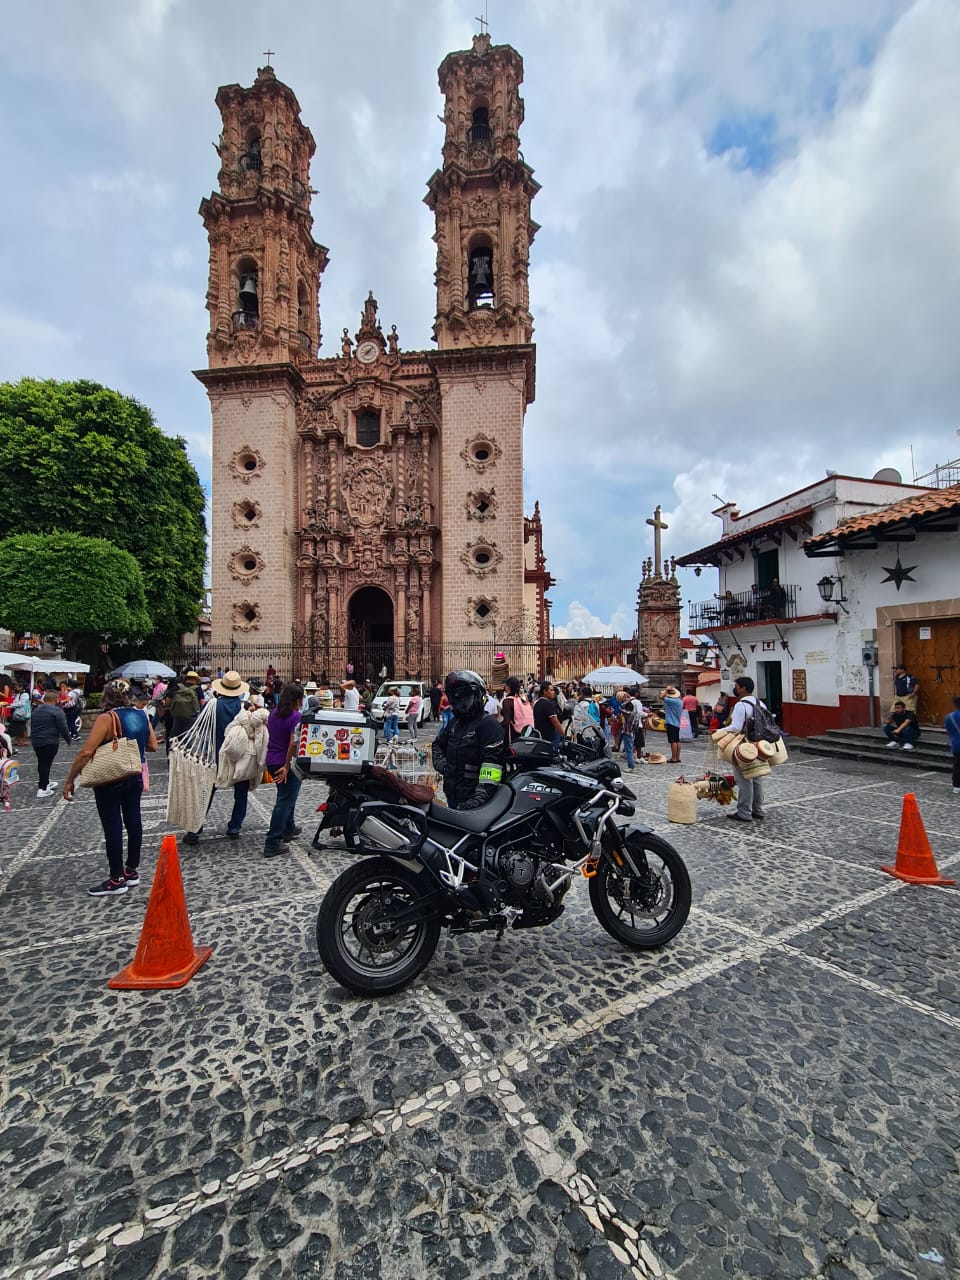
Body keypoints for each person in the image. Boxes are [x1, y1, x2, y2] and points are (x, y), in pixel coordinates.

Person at [63, 682, 156, 895]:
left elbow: (86, 752)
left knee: (113, 825)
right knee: (134, 821)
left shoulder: (107, 718)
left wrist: (70, 779)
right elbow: (153, 746)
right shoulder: (141, 715)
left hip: (111, 777)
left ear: (106, 696)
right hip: (135, 773)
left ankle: (116, 879)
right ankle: (131, 870)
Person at [184, 670, 252, 845]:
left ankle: (195, 830)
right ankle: (235, 827)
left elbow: (200, 726)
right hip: (238, 756)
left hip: (214, 754)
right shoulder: (244, 707)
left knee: (206, 792)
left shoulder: (212, 705)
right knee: (241, 792)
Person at [432, 670, 506, 809]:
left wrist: (479, 799)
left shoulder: (488, 725)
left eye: (464, 697)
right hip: (453, 797)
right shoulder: (455, 723)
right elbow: (437, 745)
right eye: (456, 697)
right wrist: (444, 766)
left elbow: (492, 766)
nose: (460, 702)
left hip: (479, 805)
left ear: (478, 695)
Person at [263, 682, 304, 858]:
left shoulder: (273, 714)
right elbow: (293, 744)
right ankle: (272, 843)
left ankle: (289, 828)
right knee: (284, 800)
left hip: (271, 760)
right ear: (297, 700)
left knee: (288, 796)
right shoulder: (296, 717)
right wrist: (287, 766)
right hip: (285, 763)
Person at [726, 676, 768, 823]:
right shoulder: (760, 703)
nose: (735, 688)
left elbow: (736, 727)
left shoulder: (740, 705)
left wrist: (720, 731)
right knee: (756, 777)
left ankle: (744, 812)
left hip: (744, 745)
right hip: (760, 745)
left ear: (743, 688)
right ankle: (758, 809)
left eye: (736, 686)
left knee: (744, 779)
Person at [31, 689, 71, 797]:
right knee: (46, 764)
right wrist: (68, 740)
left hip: (36, 741)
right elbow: (63, 727)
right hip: (50, 741)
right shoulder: (56, 711)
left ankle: (45, 782)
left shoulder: (36, 710)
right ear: (57, 699)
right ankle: (42, 788)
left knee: (42, 763)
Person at [500, 676, 534, 742]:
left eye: (505, 686)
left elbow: (506, 722)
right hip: (526, 733)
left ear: (508, 687)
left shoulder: (507, 701)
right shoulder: (522, 700)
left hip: (513, 736)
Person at [533, 680, 563, 748]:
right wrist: (563, 734)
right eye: (551, 690)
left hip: (541, 737)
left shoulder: (537, 702)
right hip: (549, 738)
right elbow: (555, 721)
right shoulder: (547, 703)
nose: (553, 692)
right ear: (545, 691)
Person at [619, 694, 645, 770]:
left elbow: (620, 707)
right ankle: (631, 766)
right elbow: (636, 727)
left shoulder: (628, 714)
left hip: (627, 733)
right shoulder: (635, 715)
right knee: (630, 750)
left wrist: (628, 700)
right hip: (632, 733)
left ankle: (631, 767)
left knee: (629, 751)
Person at [661, 685, 683, 764]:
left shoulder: (671, 701)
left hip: (671, 722)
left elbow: (661, 696)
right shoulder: (680, 701)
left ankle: (673, 758)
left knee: (673, 741)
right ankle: (677, 757)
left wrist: (666, 690)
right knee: (677, 740)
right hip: (677, 723)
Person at [945, 695, 960, 794]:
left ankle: (957, 786)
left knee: (957, 765)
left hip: (956, 744)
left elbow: (948, 730)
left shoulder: (949, 717)